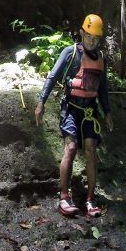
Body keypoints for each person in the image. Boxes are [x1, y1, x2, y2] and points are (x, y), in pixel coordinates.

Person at [35, 14, 114, 217]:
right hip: (70, 108)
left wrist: (108, 113)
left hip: (89, 111)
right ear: (81, 33)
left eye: (96, 38)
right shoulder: (70, 53)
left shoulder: (101, 59)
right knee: (70, 148)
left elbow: (102, 88)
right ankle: (64, 197)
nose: (92, 41)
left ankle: (90, 199)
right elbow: (52, 76)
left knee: (90, 150)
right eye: (89, 37)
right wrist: (41, 102)